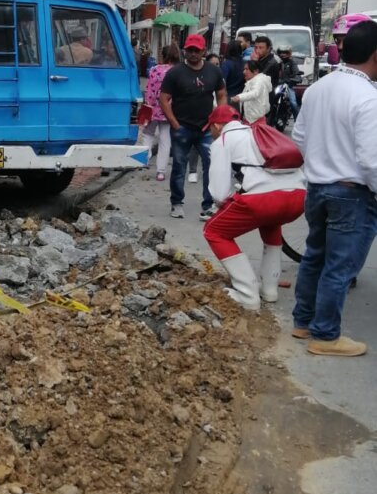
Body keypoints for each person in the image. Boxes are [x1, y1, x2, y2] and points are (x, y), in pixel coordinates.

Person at [291, 20, 377, 357]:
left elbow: (299, 136)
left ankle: (303, 321)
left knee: (315, 256)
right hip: (350, 193)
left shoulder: (318, 88)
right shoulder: (368, 97)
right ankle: (326, 336)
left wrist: (321, 160)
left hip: (317, 187)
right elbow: (371, 160)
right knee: (340, 267)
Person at [203, 106, 306, 310]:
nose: (211, 133)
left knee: (214, 231)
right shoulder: (255, 131)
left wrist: (225, 203)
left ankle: (247, 294)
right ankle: (269, 290)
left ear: (216, 125)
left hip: (263, 200)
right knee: (271, 225)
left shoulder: (223, 139)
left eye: (210, 129)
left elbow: (218, 192)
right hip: (298, 196)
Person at [158, 32, 226, 220]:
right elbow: (164, 99)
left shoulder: (214, 71)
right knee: (179, 166)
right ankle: (177, 203)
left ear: (204, 50)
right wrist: (174, 123)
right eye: (190, 50)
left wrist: (219, 119)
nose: (193, 53)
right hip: (182, 128)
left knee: (210, 165)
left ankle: (208, 205)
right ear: (184, 51)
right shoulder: (175, 72)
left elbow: (221, 94)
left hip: (206, 128)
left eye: (197, 50)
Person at [142, 42, 180, 181]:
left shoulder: (154, 69)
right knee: (165, 139)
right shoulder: (178, 71)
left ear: (163, 56)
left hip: (153, 108)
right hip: (169, 110)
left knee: (148, 134)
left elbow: (150, 90)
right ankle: (161, 171)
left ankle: (144, 158)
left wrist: (149, 104)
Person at [230, 56, 272, 124]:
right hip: (250, 121)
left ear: (256, 71)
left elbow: (254, 93)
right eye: (244, 69)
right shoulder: (251, 81)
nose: (244, 72)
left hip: (256, 122)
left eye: (247, 69)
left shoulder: (259, 81)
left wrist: (239, 97)